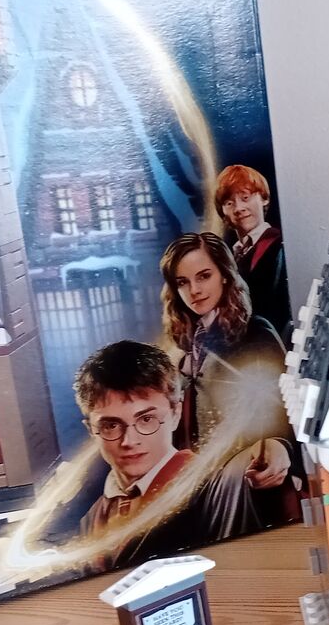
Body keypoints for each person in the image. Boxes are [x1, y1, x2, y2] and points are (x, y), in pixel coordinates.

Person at [74, 340, 264, 570]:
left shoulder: (212, 488)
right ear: (91, 430)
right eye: (111, 426)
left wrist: (277, 447)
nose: (129, 441)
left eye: (146, 419)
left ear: (176, 414)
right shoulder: (89, 522)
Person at [161, 232, 299, 524]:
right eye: (182, 282)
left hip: (251, 487)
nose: (194, 290)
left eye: (204, 276)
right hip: (201, 493)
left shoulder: (255, 333)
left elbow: (286, 408)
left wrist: (280, 446)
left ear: (224, 275)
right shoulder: (185, 347)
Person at [215, 164, 290, 339]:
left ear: (264, 198)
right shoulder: (229, 258)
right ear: (223, 211)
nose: (239, 208)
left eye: (245, 197)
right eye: (229, 203)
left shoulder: (280, 247)